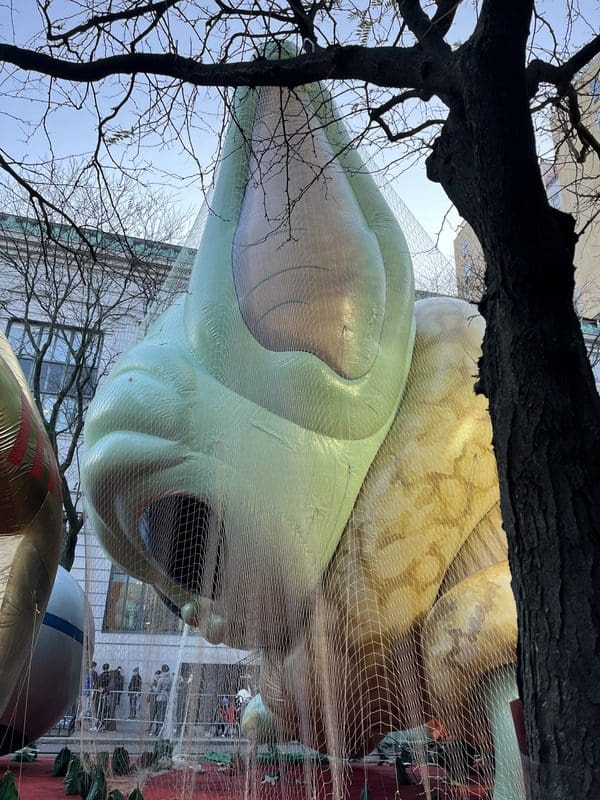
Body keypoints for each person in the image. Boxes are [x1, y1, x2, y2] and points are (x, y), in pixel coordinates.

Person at [151, 664, 173, 736]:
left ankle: (159, 730)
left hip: (160, 698)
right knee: (164, 715)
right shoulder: (170, 678)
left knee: (159, 714)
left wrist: (153, 687)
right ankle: (163, 730)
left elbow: (157, 691)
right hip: (167, 698)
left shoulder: (161, 679)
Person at [91, 663, 111, 731]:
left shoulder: (101, 675)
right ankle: (103, 725)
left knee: (99, 711)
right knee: (105, 711)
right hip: (106, 695)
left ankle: (99, 725)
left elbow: (97, 685)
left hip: (100, 696)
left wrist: (100, 689)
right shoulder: (110, 676)